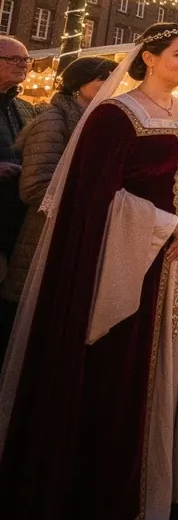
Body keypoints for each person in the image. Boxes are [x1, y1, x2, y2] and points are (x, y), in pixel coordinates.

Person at [0, 23, 178, 520]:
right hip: (134, 262)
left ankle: (171, 477)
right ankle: (124, 495)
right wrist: (168, 226)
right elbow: (94, 198)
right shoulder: (112, 116)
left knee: (176, 364)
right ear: (147, 57)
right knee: (125, 370)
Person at [0, 57, 116, 355]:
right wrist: (88, 204)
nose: (111, 87)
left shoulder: (93, 120)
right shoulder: (54, 121)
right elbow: (36, 187)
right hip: (47, 236)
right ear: (80, 85)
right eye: (103, 80)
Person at [0, 35, 34, 278]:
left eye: (26, 59)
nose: (22, 64)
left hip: (13, 215)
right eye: (13, 59)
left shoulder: (24, 107)